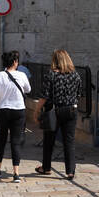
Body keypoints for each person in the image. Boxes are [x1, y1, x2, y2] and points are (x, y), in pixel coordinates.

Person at [34, 49, 82, 180]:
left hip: (54, 110)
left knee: (49, 140)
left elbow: (44, 96)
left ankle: (46, 167)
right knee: (69, 141)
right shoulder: (76, 75)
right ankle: (70, 171)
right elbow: (78, 94)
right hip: (71, 109)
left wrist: (37, 110)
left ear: (55, 60)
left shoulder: (51, 75)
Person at [0, 50, 30, 182]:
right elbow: (28, 89)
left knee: (1, 141)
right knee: (16, 142)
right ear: (15, 62)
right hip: (18, 111)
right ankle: (16, 174)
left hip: (2, 111)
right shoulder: (22, 75)